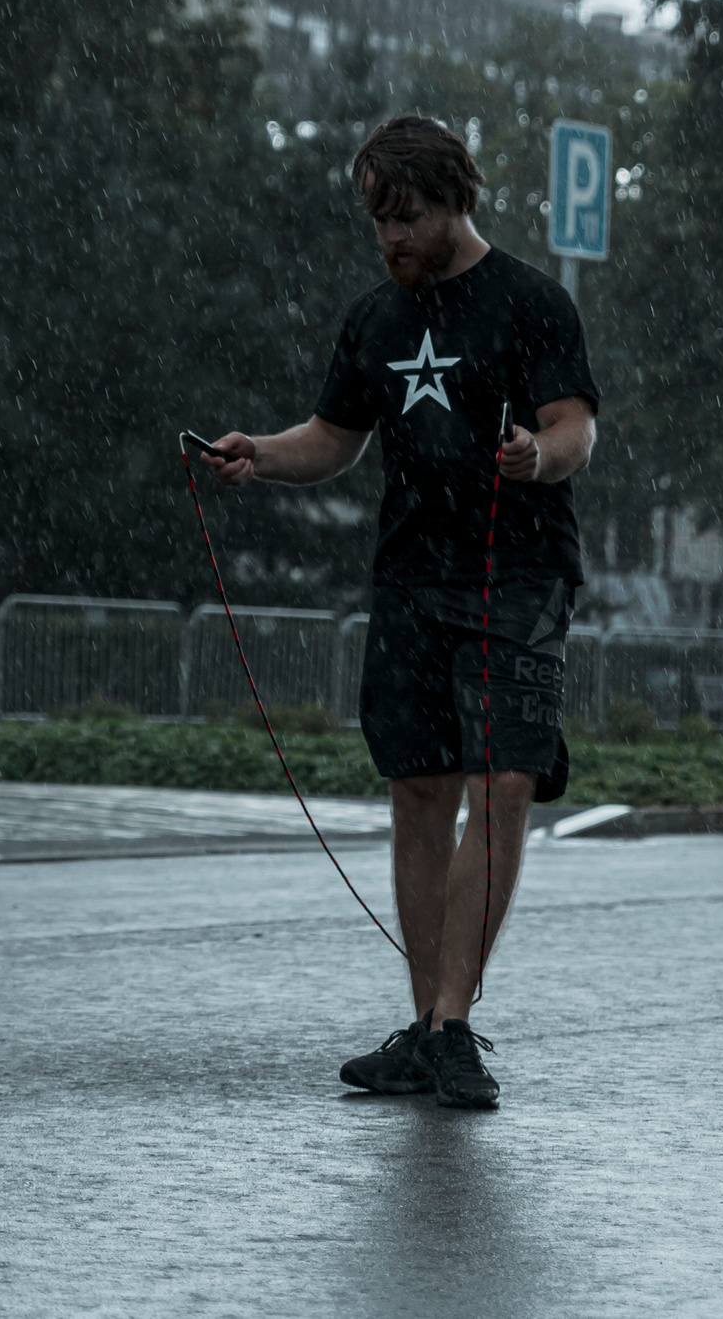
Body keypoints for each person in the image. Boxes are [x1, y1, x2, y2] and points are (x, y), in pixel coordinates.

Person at [202, 114, 598, 1109]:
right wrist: (263, 454)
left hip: (516, 577)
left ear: (457, 199)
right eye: (378, 221)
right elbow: (334, 439)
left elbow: (575, 429)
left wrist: (535, 457)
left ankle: (455, 1026)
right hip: (411, 579)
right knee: (418, 791)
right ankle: (423, 1024)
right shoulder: (374, 320)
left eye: (408, 217)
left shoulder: (530, 303)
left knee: (499, 786)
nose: (391, 239)